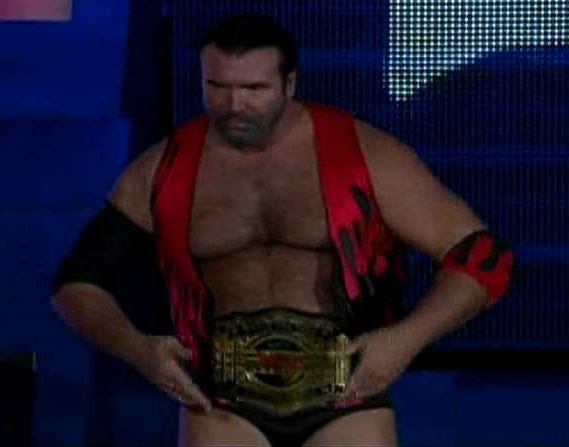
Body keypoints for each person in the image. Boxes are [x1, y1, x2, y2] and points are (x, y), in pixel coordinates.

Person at [52, 14, 515, 447]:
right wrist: (139, 350)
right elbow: (75, 283)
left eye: (254, 88)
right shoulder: (162, 169)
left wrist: (404, 340)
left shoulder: (362, 153)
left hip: (347, 396)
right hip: (220, 402)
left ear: (290, 83)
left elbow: (484, 258)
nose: (234, 105)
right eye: (217, 87)